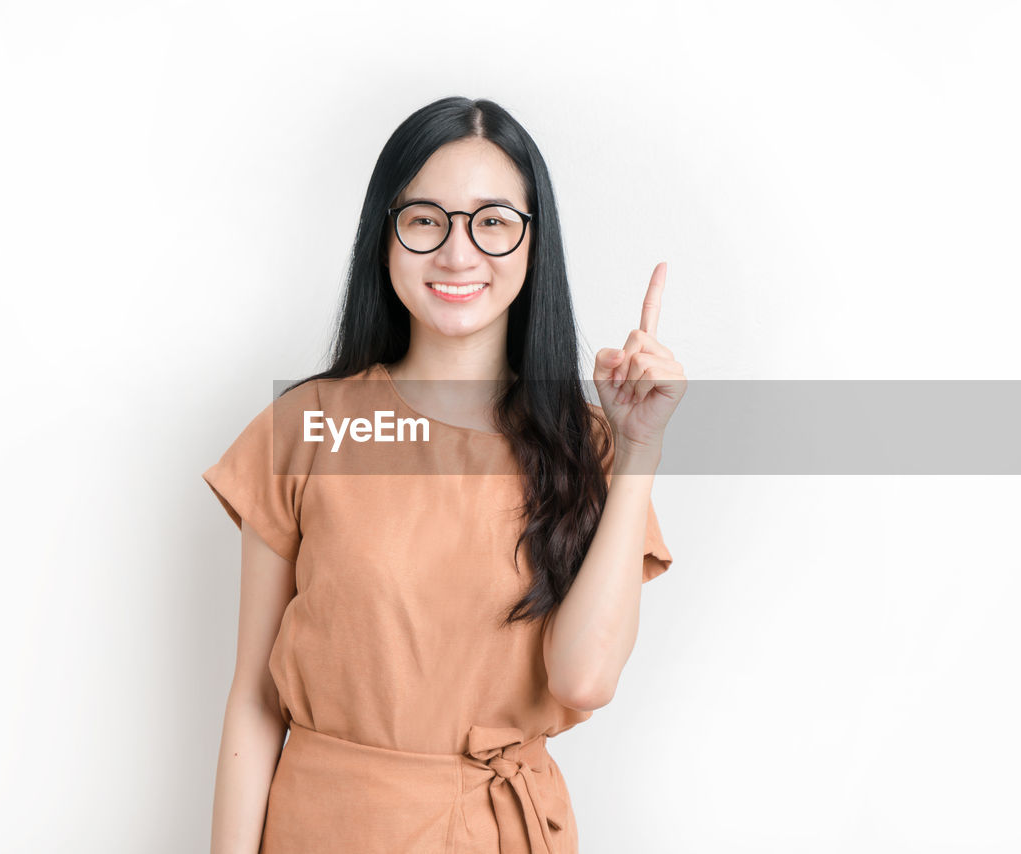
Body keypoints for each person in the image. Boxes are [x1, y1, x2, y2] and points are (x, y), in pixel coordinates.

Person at [202, 95, 686, 854]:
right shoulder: (310, 426)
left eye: (492, 222)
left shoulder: (588, 446)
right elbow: (256, 699)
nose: (458, 254)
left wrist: (639, 451)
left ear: (533, 243)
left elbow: (584, 680)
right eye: (426, 219)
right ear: (385, 236)